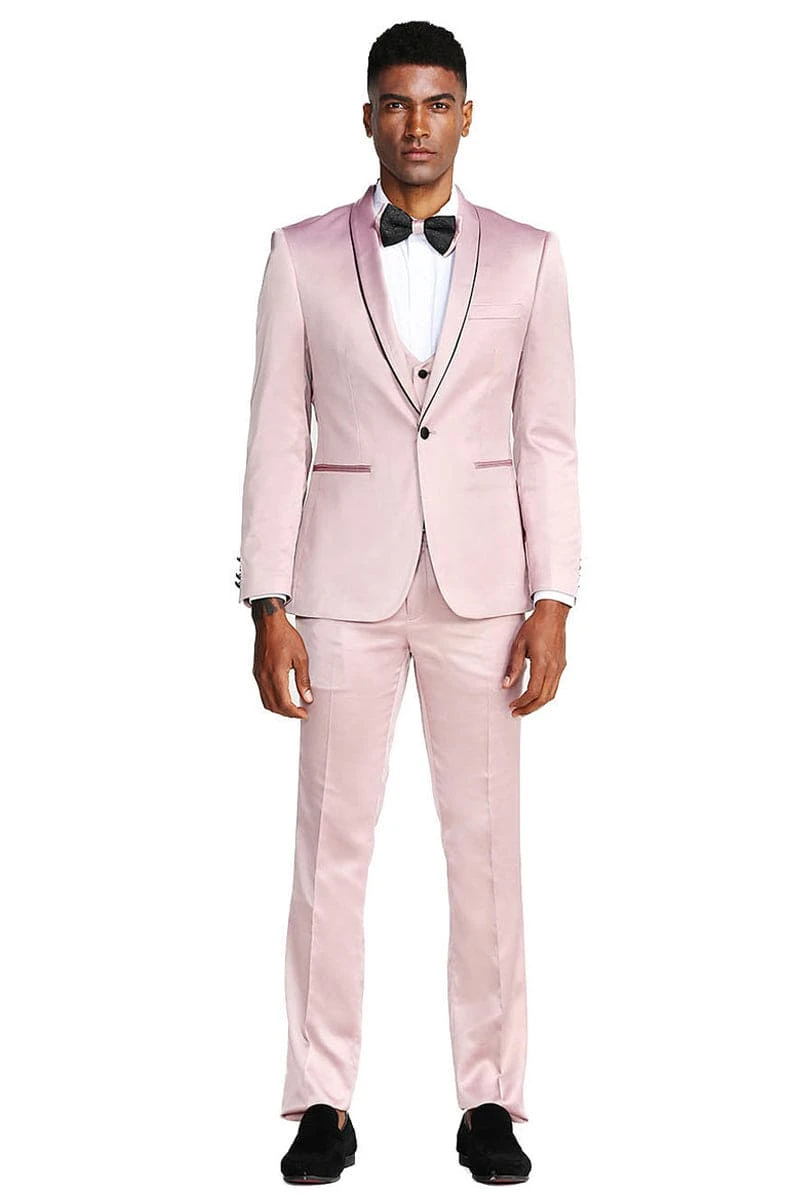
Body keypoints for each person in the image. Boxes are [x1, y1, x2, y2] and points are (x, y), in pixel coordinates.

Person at [236, 19, 580, 1186]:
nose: (415, 124)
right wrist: (266, 600)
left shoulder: (530, 257)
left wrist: (554, 596)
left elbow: (548, 439)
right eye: (395, 103)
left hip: (485, 595)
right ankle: (321, 1102)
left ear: (465, 116)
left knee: (484, 854)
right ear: (367, 116)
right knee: (329, 850)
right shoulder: (297, 255)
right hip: (339, 591)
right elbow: (275, 435)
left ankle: (489, 1099)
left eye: (436, 103)